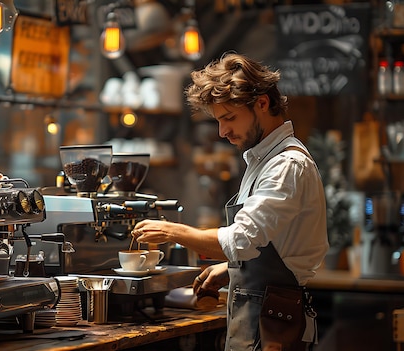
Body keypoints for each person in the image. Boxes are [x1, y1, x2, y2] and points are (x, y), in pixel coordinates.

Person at [131, 52, 329, 351]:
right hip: (258, 316)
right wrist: (233, 270)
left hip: (273, 323)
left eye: (229, 118)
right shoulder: (263, 161)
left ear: (262, 103)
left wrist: (173, 231)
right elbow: (270, 243)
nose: (223, 132)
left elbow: (240, 240)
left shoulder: (286, 165)